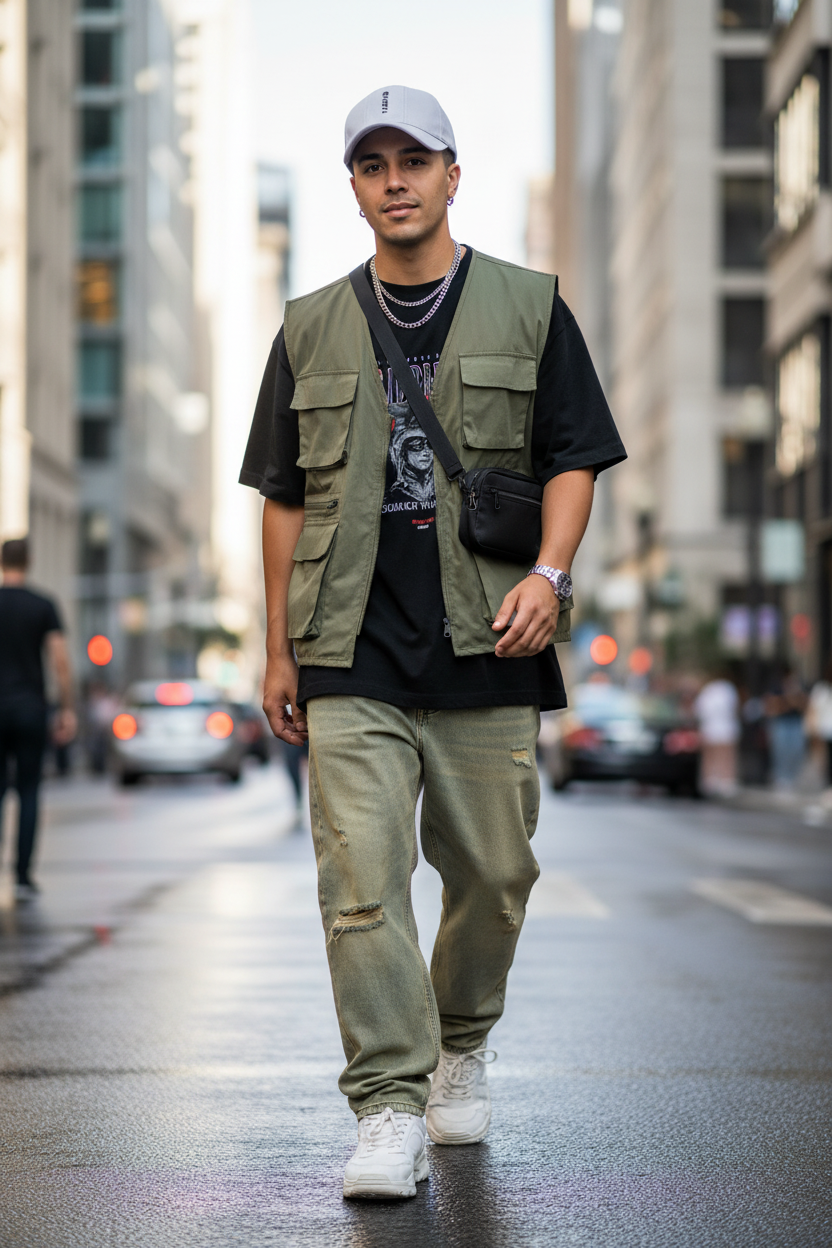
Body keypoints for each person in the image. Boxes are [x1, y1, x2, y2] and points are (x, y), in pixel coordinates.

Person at [240, 85, 626, 1200]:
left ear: (455, 175)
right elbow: (281, 496)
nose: (395, 179)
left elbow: (573, 458)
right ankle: (389, 1106)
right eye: (373, 163)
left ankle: (461, 1039)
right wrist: (279, 647)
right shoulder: (308, 323)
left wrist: (552, 576)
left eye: (416, 159)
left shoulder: (530, 305)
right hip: (349, 643)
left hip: (488, 641)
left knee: (496, 873)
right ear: (353, 185)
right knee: (359, 881)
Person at [0, 538, 76, 899]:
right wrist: (66, 709)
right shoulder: (43, 605)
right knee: (29, 790)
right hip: (31, 709)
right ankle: (23, 876)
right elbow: (60, 662)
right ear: (28, 562)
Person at [694, 672, 740, 796]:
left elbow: (699, 711)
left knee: (711, 757)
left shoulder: (708, 691)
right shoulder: (727, 689)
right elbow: (734, 708)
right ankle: (725, 782)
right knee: (725, 756)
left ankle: (711, 781)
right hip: (724, 728)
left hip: (712, 728)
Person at [765, 665, 807, 789]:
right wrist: (787, 702)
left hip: (796, 722)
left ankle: (791, 777)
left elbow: (803, 705)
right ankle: (781, 777)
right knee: (781, 750)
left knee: (796, 750)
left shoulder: (799, 688)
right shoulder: (777, 688)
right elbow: (773, 706)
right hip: (782, 723)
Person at [805, 662, 832, 788]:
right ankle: (827, 787)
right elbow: (812, 710)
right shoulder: (820, 689)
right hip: (823, 732)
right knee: (823, 762)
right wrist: (812, 730)